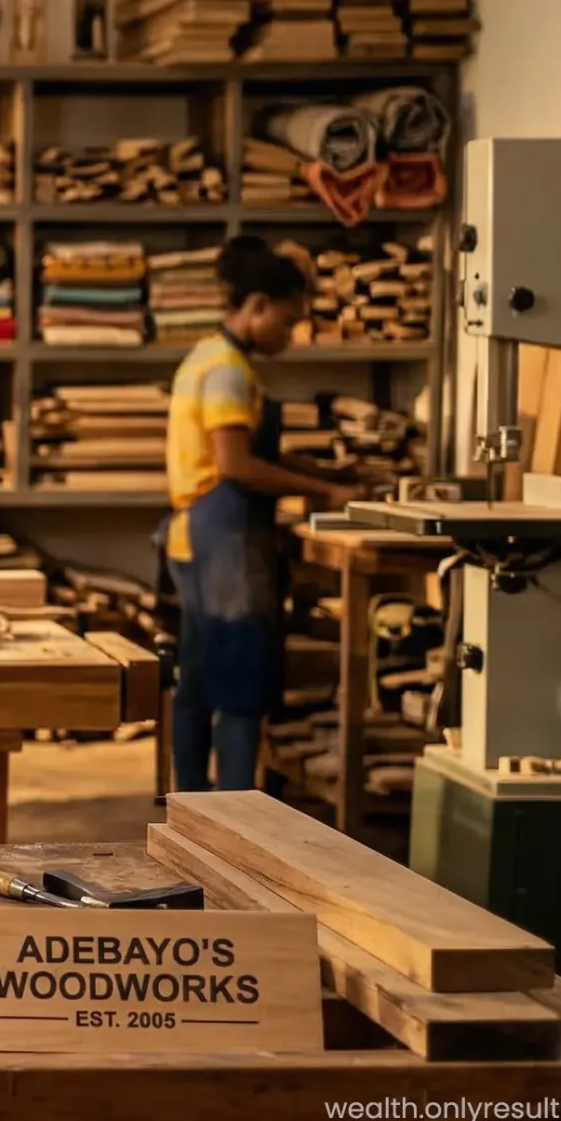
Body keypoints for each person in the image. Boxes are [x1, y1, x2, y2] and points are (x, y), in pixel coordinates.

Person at [164, 235, 359, 792]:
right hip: (223, 539)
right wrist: (320, 493)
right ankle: (234, 821)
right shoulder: (227, 371)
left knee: (199, 684)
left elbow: (256, 453)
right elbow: (236, 464)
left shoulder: (206, 356)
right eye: (288, 322)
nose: (291, 336)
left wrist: (326, 477)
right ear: (258, 307)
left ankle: (192, 811)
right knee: (243, 688)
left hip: (198, 537)